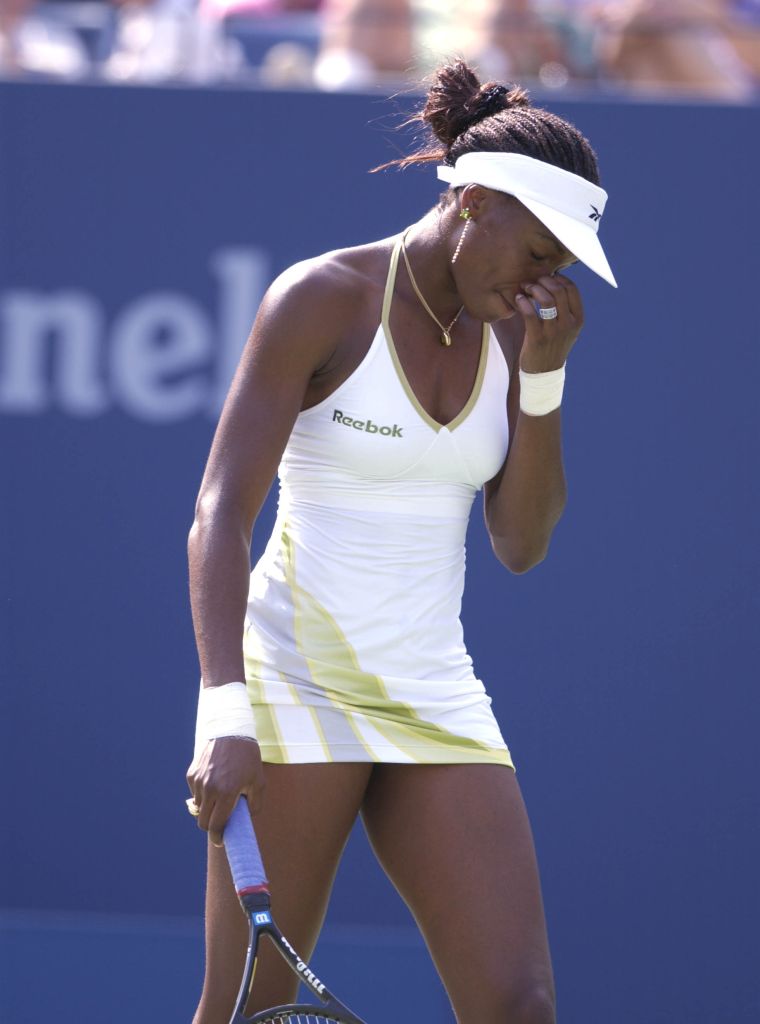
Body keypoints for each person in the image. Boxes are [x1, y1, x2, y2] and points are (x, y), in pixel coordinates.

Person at [185, 58, 616, 1024]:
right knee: (249, 1004)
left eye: (563, 264)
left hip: (431, 689)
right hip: (292, 685)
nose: (547, 279)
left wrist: (544, 382)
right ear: (471, 202)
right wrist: (224, 708)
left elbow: (521, 544)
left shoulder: (517, 335)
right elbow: (220, 511)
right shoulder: (322, 298)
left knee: (521, 1005)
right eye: (539, 250)